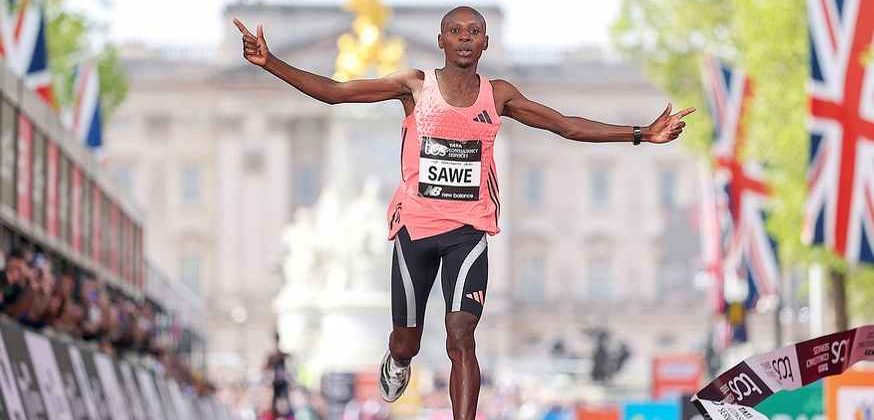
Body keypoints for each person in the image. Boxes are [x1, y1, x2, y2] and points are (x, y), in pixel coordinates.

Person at [234, 6, 694, 419]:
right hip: (416, 230)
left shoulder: (498, 95)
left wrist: (640, 133)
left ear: (485, 42)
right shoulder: (414, 86)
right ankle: (397, 362)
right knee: (407, 341)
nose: (465, 38)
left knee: (460, 338)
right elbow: (335, 92)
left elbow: (565, 125)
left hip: (468, 232)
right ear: (441, 41)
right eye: (455, 31)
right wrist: (269, 62)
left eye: (474, 31)